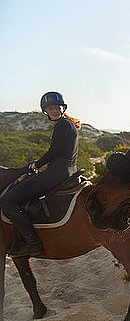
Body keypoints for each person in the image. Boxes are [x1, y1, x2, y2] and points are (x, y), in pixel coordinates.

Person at [0, 92, 80, 257]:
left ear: (63, 108)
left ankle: (32, 243)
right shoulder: (66, 124)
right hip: (64, 170)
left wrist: (35, 164)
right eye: (51, 108)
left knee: (7, 200)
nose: (54, 111)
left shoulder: (63, 125)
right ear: (46, 111)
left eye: (57, 107)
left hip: (57, 172)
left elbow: (53, 153)